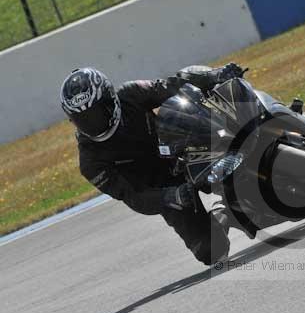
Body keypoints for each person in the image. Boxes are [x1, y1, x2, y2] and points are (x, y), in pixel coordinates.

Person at [59, 64, 244, 265]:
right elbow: (133, 197)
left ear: (109, 99)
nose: (92, 123)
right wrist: (171, 196)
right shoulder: (90, 162)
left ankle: (263, 123)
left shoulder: (131, 94)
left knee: (183, 105)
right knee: (211, 251)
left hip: (183, 152)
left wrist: (215, 75)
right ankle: (224, 212)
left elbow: (172, 85)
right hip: (165, 190)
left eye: (95, 114)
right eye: (82, 119)